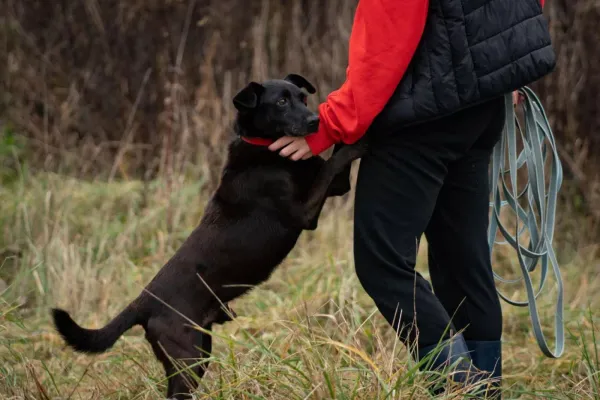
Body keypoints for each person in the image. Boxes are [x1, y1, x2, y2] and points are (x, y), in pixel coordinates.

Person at [269, 0, 554, 397]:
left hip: (422, 115)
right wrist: (507, 66)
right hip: (480, 106)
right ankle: (485, 393)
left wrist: (328, 125)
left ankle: (463, 393)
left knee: (383, 263)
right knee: (462, 263)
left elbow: (385, 49)